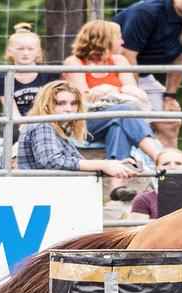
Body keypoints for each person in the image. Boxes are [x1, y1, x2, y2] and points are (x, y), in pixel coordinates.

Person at [63, 20, 161, 201]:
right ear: (103, 39)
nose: (123, 42)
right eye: (119, 37)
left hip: (116, 117)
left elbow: (133, 92)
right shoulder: (74, 62)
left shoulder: (119, 60)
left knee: (118, 125)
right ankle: (159, 157)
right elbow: (82, 99)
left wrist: (108, 89)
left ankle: (117, 187)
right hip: (85, 123)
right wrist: (116, 92)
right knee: (124, 112)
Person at [114, 0, 182, 148]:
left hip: (144, 76)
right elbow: (128, 56)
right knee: (137, 120)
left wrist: (169, 97)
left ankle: (169, 168)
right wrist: (137, 96)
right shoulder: (146, 12)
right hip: (115, 75)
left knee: (170, 122)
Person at [15, 79, 138, 182]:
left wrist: (114, 164)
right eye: (61, 103)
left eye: (73, 103)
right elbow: (51, 161)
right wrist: (103, 164)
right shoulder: (42, 124)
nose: (69, 109)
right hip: (42, 195)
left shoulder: (55, 128)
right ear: (46, 105)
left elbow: (71, 163)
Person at [0, 23, 60, 118]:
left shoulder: (49, 74)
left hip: (44, 121)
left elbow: (52, 105)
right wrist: (24, 127)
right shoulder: (3, 78)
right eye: (20, 49)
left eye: (30, 49)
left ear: (38, 51)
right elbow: (11, 110)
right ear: (10, 51)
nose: (25, 53)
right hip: (16, 125)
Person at [129, 147, 182, 220]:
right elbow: (137, 230)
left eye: (178, 163)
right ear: (157, 168)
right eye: (165, 164)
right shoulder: (144, 199)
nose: (172, 167)